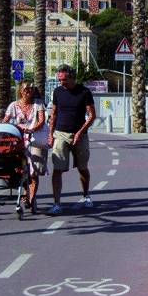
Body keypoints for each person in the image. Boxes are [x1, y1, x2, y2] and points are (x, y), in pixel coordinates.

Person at [48, 64, 96, 215]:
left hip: (80, 135)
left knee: (82, 168)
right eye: (59, 79)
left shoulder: (85, 92)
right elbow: (54, 114)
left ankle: (86, 195)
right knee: (57, 169)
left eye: (64, 79)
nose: (61, 82)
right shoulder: (57, 92)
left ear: (72, 77)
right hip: (61, 134)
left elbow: (92, 115)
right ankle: (56, 204)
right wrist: (50, 134)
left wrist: (80, 132)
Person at [2, 81, 48, 213]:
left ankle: (31, 198)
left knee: (34, 171)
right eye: (26, 89)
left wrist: (31, 129)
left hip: (35, 139)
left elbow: (41, 121)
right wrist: (1, 130)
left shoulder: (38, 104)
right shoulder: (13, 105)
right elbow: (5, 121)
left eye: (31, 89)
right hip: (19, 140)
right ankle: (26, 193)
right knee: (19, 169)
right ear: (20, 91)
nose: (29, 91)